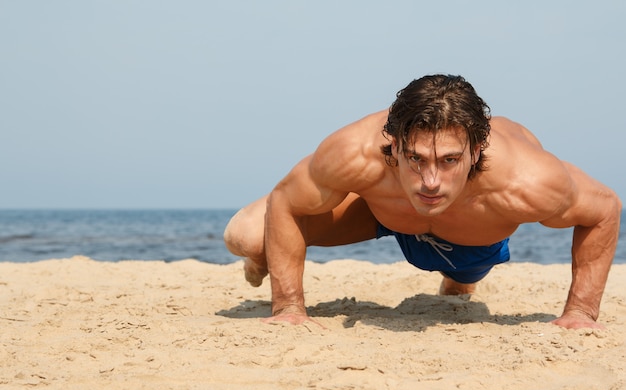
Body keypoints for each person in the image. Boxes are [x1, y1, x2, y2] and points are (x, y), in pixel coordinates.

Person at [223, 74, 621, 330]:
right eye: (416, 158)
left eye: (449, 160)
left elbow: (604, 208)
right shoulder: (354, 153)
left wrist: (580, 312)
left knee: (462, 283)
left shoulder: (527, 180)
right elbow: (285, 200)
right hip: (382, 209)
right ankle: (266, 257)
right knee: (245, 236)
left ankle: (458, 283)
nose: (431, 181)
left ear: (477, 150)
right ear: (393, 145)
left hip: (474, 235)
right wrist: (288, 307)